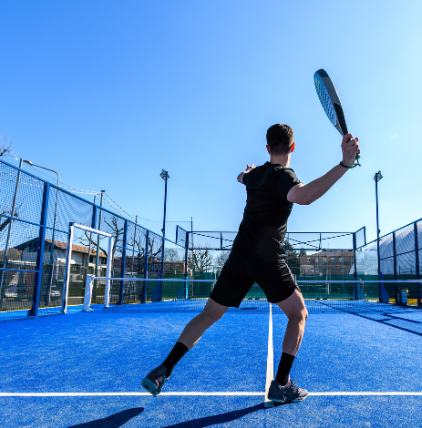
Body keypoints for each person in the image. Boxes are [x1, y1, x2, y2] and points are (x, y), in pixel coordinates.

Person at [142, 124, 360, 403]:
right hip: (267, 258)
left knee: (208, 314)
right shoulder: (284, 176)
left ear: (268, 148)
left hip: (240, 256)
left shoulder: (254, 175)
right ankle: (282, 384)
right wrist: (344, 164)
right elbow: (303, 196)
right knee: (299, 314)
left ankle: (164, 368)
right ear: (292, 147)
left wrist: (248, 170)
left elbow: (240, 176)